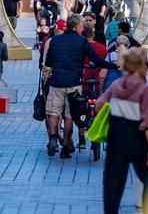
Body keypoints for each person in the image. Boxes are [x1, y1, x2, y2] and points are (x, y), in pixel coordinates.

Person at [42, 20, 114, 159]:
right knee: (69, 116)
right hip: (74, 83)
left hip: (56, 82)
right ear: (76, 26)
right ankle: (65, 148)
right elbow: (95, 58)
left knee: (53, 112)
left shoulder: (55, 40)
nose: (82, 28)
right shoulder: (81, 41)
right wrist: (111, 66)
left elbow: (49, 62)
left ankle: (52, 138)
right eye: (81, 26)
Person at [97, 48, 148, 214]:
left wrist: (115, 115)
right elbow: (147, 122)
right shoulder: (143, 90)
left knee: (113, 182)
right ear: (139, 66)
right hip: (138, 142)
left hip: (116, 141)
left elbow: (99, 104)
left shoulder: (117, 85)